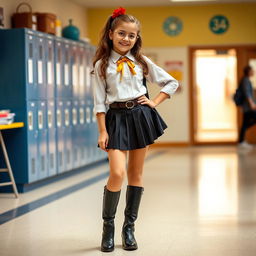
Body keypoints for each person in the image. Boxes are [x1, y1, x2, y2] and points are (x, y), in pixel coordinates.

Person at [91, 7, 179, 252]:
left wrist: (154, 102)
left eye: (131, 36)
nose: (126, 39)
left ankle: (128, 229)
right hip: (115, 119)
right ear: (110, 33)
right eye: (121, 33)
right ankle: (107, 228)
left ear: (136, 38)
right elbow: (99, 103)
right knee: (117, 173)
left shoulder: (141, 61)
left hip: (140, 117)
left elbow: (171, 82)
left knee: (136, 174)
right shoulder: (101, 65)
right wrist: (102, 131)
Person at [238, 65, 256, 149]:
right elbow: (247, 93)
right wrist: (252, 103)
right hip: (247, 107)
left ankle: (241, 141)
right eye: (252, 71)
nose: (254, 72)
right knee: (246, 123)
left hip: (247, 106)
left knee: (245, 123)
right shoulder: (245, 80)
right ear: (248, 72)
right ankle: (241, 141)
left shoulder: (247, 80)